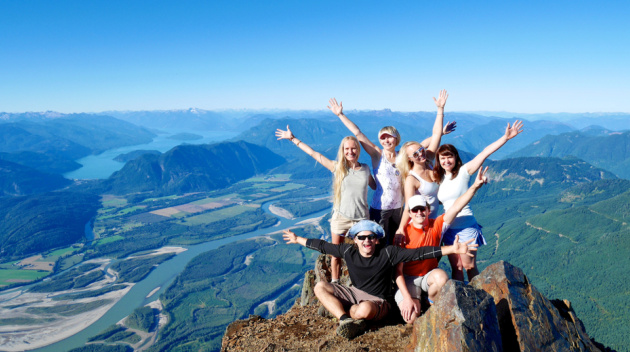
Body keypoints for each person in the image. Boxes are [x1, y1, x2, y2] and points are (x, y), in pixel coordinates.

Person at [282, 220, 478, 339]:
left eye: (370, 237)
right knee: (320, 287)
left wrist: (453, 249)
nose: (366, 241)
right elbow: (323, 246)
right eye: (362, 237)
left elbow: (419, 253)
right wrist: (297, 239)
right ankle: (345, 320)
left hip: (379, 301)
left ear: (376, 239)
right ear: (355, 240)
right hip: (354, 293)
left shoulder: (388, 253)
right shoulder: (348, 250)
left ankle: (353, 315)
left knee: (365, 309)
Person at [328, 90, 453, 244]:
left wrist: (440, 134)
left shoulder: (404, 156)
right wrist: (341, 115)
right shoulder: (377, 155)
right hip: (379, 208)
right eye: (383, 138)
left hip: (400, 208)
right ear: (380, 141)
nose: (387, 141)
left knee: (397, 243)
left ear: (396, 139)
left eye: (390, 137)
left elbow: (421, 146)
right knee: (379, 244)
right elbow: (358, 133)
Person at [275, 127, 375, 282]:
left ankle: (363, 282)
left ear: (358, 149)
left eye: (353, 148)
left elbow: (376, 186)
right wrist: (293, 138)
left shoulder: (366, 169)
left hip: (361, 220)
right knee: (335, 254)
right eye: (347, 148)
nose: (350, 151)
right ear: (343, 150)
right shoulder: (338, 167)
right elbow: (314, 154)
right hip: (341, 218)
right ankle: (335, 283)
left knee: (365, 253)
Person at [395, 167, 489, 324]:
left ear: (427, 210)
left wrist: (475, 186)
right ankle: (416, 300)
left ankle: (430, 301)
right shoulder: (402, 235)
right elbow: (397, 272)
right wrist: (406, 298)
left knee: (442, 278)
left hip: (428, 275)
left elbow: (457, 206)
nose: (419, 213)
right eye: (415, 210)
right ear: (410, 213)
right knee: (411, 319)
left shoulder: (436, 225)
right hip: (409, 279)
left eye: (422, 209)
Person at [434, 120, 524, 282]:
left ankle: (478, 295)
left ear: (456, 158)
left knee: (469, 266)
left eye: (449, 157)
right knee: (457, 267)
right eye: (442, 158)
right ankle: (460, 299)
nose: (446, 161)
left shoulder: (464, 171)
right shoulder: (438, 179)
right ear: (438, 161)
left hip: (466, 226)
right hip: (448, 229)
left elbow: (484, 153)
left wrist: (505, 138)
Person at [393, 90, 450, 244]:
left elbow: (437, 134)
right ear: (409, 159)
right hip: (419, 227)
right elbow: (408, 207)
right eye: (415, 154)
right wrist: (401, 229)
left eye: (421, 150)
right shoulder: (412, 179)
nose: (420, 154)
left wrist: (440, 110)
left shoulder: (429, 160)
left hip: (435, 224)